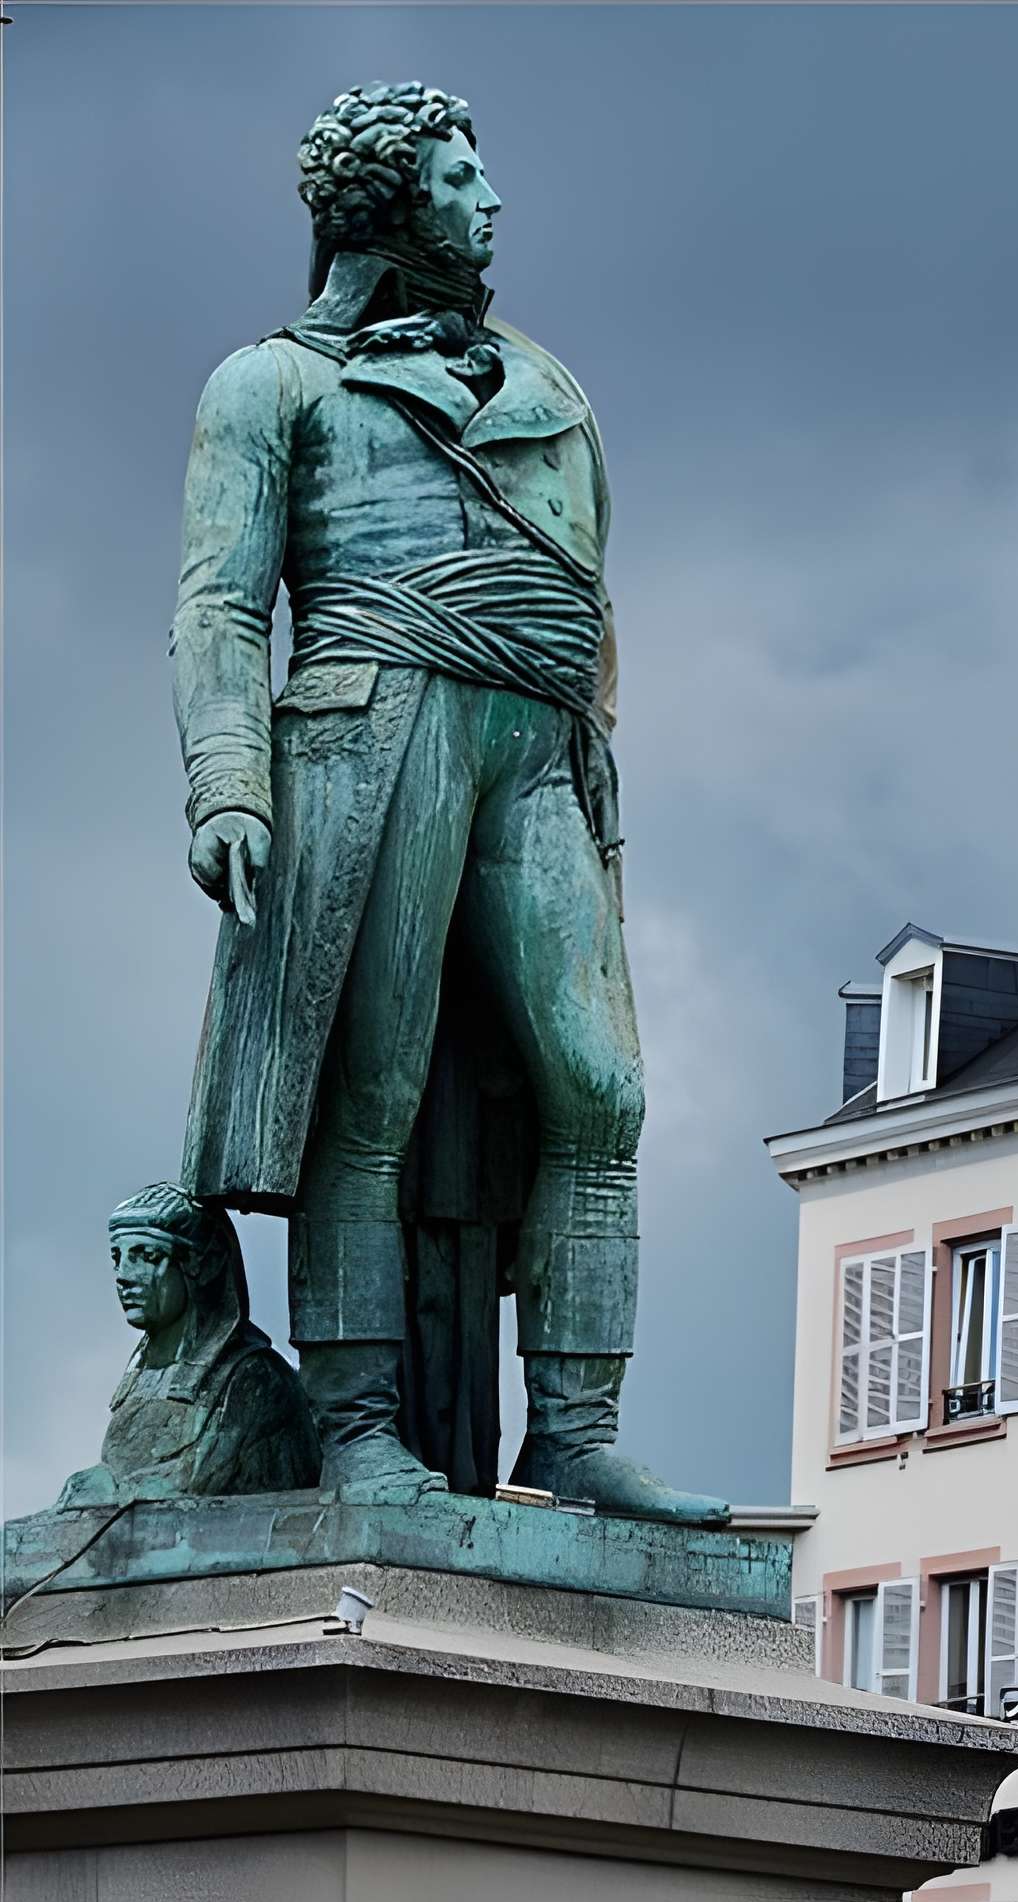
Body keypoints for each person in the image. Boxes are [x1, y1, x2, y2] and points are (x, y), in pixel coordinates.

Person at [173, 80, 726, 1522]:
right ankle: (357, 1427)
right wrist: (228, 777)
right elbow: (220, 605)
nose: (489, 202)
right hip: (372, 725)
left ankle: (576, 1428)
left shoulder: (549, 381)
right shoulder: (270, 383)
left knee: (601, 1089)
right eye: (460, 175)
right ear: (389, 200)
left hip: (536, 738)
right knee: (372, 1096)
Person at [55, 1186, 319, 1507]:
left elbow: (195, 1486)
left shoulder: (255, 1377)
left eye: (146, 1256)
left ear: (199, 1266)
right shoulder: (139, 1379)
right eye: (117, 1257)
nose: (122, 1275)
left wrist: (102, 1487)